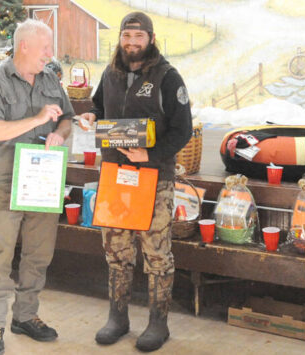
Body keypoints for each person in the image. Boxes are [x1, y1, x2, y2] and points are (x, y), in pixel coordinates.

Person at [80, 12, 192, 352]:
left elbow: (183, 130)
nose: (132, 43)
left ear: (151, 39)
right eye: (127, 36)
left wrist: (151, 154)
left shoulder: (168, 77)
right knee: (116, 251)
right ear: (121, 39)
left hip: (155, 178)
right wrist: (90, 115)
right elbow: (99, 107)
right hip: (115, 175)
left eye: (138, 37)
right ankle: (118, 317)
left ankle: (158, 323)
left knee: (157, 254)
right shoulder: (111, 73)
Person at [0, 19, 74, 355]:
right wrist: (36, 119)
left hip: (43, 178)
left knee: (39, 253)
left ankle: (26, 316)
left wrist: (59, 133)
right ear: (25, 47)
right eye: (45, 47)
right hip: (7, 180)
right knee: (1, 254)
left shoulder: (49, 79)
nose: (50, 54)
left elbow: (67, 117)